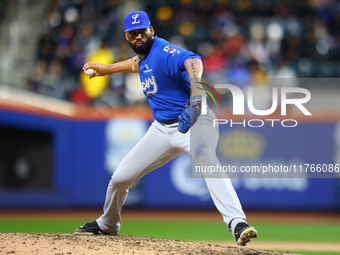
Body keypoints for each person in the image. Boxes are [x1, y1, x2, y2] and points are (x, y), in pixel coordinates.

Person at [75, 11, 257, 246]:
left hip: (196, 120)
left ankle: (237, 222)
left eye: (142, 31)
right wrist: (108, 69)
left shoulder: (163, 51)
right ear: (127, 37)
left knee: (205, 158)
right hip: (161, 129)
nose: (138, 36)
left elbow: (193, 61)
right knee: (120, 179)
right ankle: (108, 224)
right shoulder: (145, 56)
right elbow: (136, 64)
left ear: (152, 31)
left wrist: (197, 96)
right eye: (133, 34)